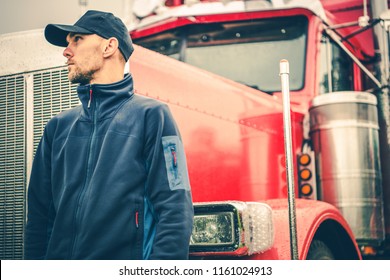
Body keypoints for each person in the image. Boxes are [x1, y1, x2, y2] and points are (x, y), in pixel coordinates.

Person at [24, 10, 194, 260]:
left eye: (77, 40)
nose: (66, 51)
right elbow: (39, 219)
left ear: (109, 46)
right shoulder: (57, 128)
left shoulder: (152, 116)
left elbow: (175, 208)